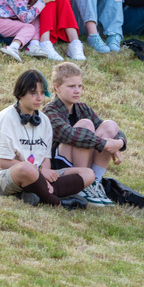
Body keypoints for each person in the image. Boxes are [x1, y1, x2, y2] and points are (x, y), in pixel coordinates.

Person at [0, 69, 94, 206]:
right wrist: (40, 173)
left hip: (38, 173)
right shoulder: (5, 118)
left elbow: (46, 158)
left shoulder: (44, 120)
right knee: (26, 168)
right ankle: (56, 201)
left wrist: (44, 171)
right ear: (20, 93)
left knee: (88, 174)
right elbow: (4, 163)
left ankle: (35, 193)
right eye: (33, 93)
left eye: (42, 93)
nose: (39, 98)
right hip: (1, 176)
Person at [43, 62, 127, 206]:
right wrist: (106, 144)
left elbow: (113, 132)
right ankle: (82, 185)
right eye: (71, 86)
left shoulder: (82, 108)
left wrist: (118, 143)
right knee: (85, 125)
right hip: (59, 167)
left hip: (81, 159)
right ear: (57, 87)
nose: (77, 91)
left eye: (80, 86)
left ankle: (94, 183)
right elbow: (70, 135)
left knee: (110, 126)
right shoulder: (50, 111)